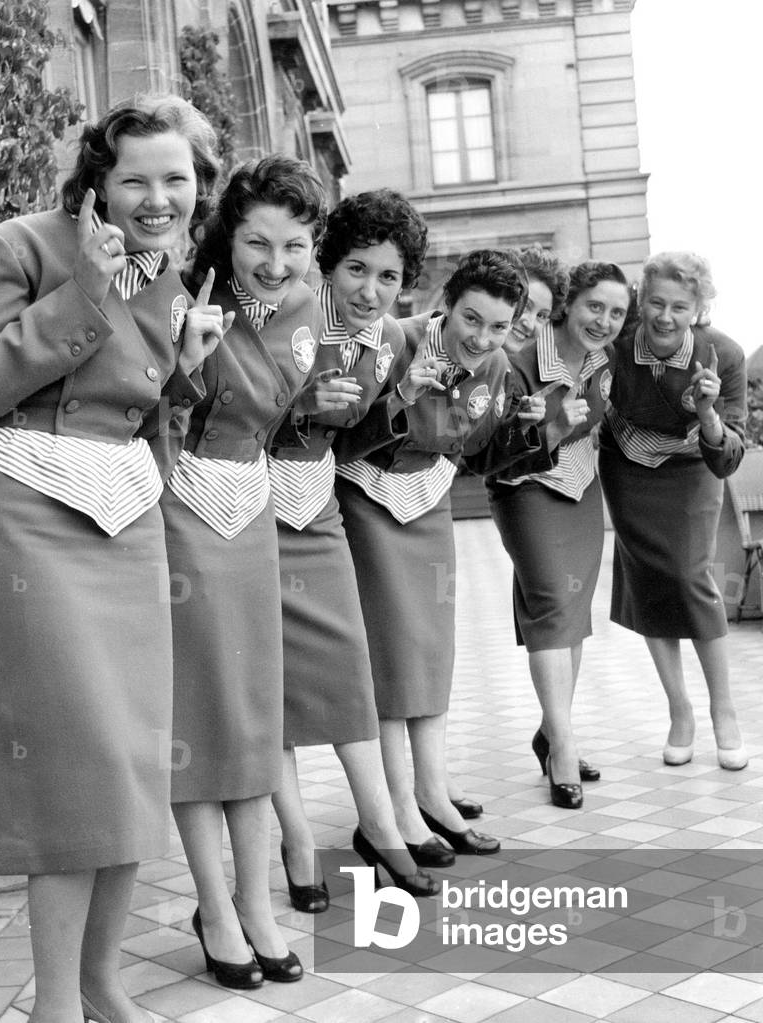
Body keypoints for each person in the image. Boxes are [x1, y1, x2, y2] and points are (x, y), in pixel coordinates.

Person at [0, 95, 222, 1023]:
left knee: (131, 763)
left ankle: (104, 984)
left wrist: (185, 365)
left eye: (175, 179)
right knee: (72, 768)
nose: (156, 198)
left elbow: (140, 414)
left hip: (126, 516)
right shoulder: (18, 246)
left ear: (198, 185)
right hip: (27, 508)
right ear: (97, 179)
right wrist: (83, 297)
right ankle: (54, 1006)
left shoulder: (177, 279)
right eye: (135, 178)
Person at [152, 155, 327, 989]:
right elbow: (137, 407)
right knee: (200, 705)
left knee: (255, 708)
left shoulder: (306, 306)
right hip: (178, 502)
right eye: (257, 241)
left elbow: (292, 412)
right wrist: (184, 361)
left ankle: (257, 903)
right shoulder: (183, 292)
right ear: (228, 231)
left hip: (250, 501)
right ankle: (214, 906)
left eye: (293, 244)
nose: (275, 261)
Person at [334, 250, 549, 862]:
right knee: (389, 653)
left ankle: (432, 791)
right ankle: (396, 806)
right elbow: (344, 430)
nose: (482, 338)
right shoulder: (394, 341)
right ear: (445, 303)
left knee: (432, 649)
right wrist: (401, 392)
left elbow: (478, 455)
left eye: (499, 326)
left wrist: (528, 430)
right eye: (471, 319)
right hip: (368, 497)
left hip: (429, 502)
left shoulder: (500, 367)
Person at [268, 189, 441, 903]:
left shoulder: (394, 343)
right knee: (266, 685)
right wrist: (301, 408)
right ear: (325, 267)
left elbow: (358, 442)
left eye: (389, 277)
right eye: (356, 270)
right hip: (244, 504)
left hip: (319, 507)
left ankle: (379, 824)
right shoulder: (285, 319)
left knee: (348, 668)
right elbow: (227, 418)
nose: (371, 290)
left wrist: (398, 405)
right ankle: (298, 839)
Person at [484, 257, 631, 808]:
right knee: (549, 601)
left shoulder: (604, 360)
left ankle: (552, 732)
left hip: (582, 487)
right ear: (569, 304)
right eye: (595, 306)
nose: (605, 320)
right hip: (525, 485)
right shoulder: (519, 363)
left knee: (572, 611)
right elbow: (489, 453)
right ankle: (564, 748)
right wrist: (551, 425)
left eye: (617, 312)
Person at [599, 251, 748, 770]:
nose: (665, 316)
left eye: (679, 307)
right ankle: (679, 711)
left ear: (698, 309)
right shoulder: (617, 346)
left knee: (689, 577)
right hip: (627, 465)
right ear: (641, 300)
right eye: (656, 303)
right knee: (650, 580)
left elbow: (729, 455)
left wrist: (707, 412)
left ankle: (723, 710)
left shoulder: (723, 355)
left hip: (693, 467)